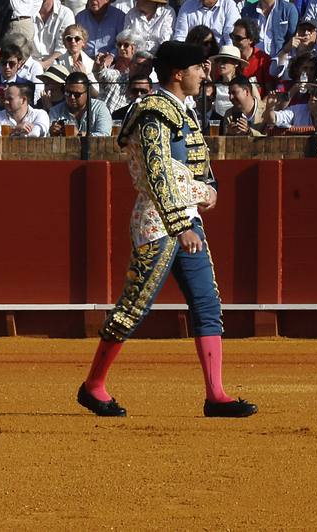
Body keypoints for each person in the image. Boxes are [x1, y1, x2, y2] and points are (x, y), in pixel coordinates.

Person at [78, 40, 257, 420]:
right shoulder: (154, 112)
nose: (205, 74)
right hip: (159, 222)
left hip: (186, 218)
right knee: (134, 307)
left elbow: (195, 165)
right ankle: (93, 385)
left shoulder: (180, 111)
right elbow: (158, 172)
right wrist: (180, 225)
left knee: (207, 304)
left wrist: (210, 191)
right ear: (179, 74)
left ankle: (216, 395)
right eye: (199, 68)